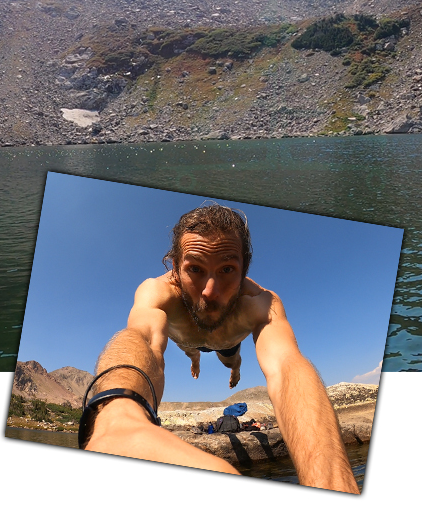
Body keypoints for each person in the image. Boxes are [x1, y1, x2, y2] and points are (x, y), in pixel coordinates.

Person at [80, 203, 359, 493]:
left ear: (244, 271)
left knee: (231, 360)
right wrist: (119, 415)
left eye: (227, 269)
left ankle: (233, 368)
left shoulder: (260, 303)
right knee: (191, 350)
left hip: (228, 343)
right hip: (186, 341)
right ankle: (195, 361)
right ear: (175, 268)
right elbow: (144, 339)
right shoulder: (157, 291)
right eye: (195, 269)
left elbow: (286, 366)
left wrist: (332, 484)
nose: (209, 291)